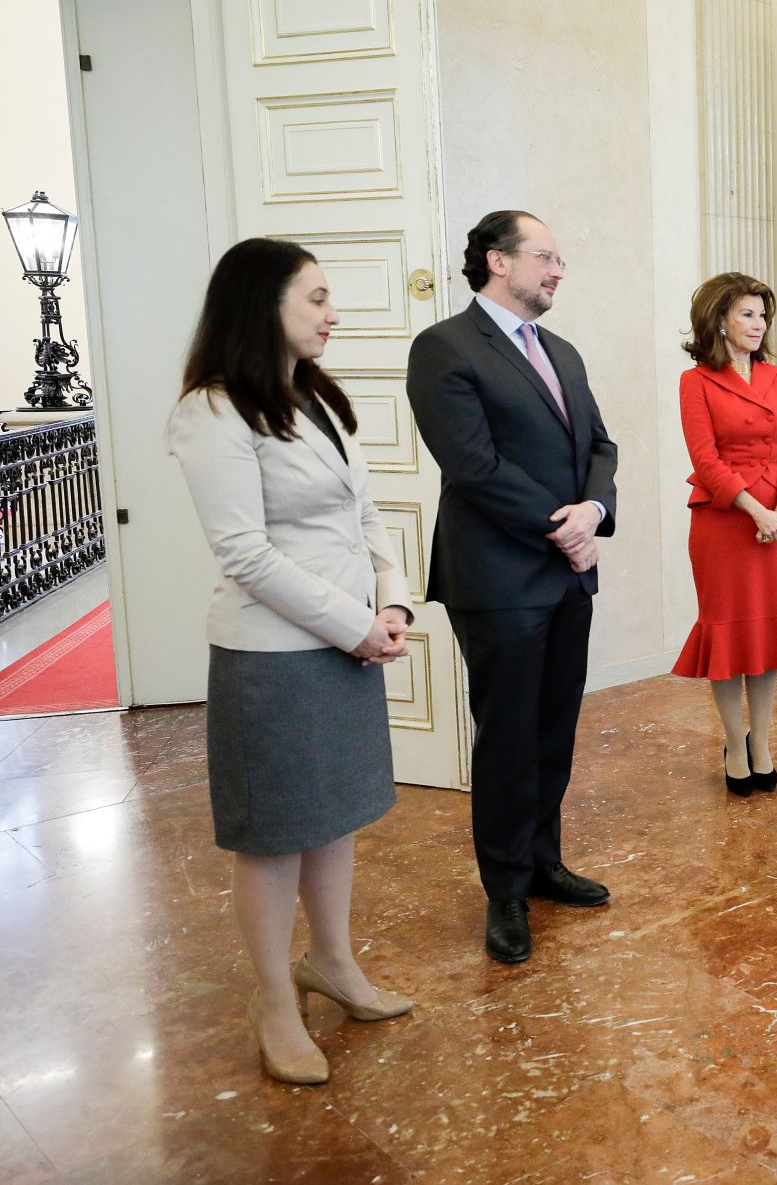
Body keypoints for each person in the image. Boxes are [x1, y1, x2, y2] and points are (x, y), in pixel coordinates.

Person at [168, 238, 416, 1086]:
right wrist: (356, 624)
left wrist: (394, 599)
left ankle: (334, 964)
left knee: (333, 816)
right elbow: (245, 553)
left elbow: (366, 511)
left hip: (349, 641)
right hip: (272, 657)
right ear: (259, 304)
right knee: (274, 838)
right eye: (315, 297)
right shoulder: (211, 409)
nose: (332, 312)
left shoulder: (314, 395)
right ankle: (274, 998)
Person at [405, 211, 618, 964]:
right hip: (497, 575)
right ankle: (502, 892)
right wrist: (561, 524)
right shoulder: (445, 347)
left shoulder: (561, 350)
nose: (557, 270)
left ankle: (542, 863)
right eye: (545, 256)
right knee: (507, 734)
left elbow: (600, 443)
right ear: (498, 260)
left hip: (570, 570)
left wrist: (594, 510)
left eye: (560, 258)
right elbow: (472, 464)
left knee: (554, 725)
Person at [672, 272, 777, 794]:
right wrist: (758, 511)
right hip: (725, 520)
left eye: (763, 316)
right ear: (719, 320)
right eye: (747, 314)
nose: (758, 325)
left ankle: (763, 742)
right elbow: (705, 460)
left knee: (769, 633)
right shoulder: (696, 381)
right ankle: (735, 741)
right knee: (730, 634)